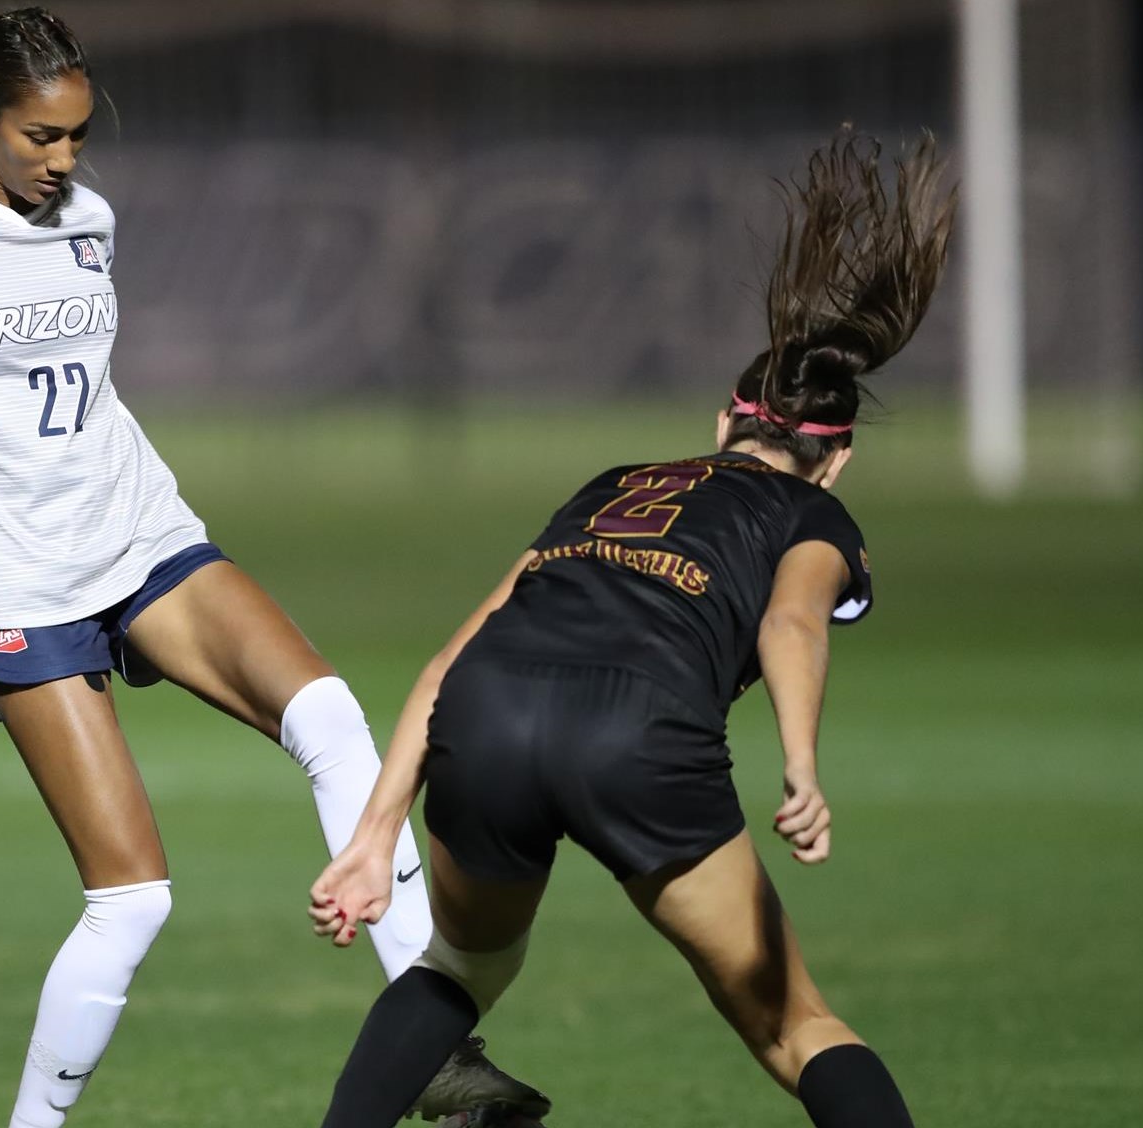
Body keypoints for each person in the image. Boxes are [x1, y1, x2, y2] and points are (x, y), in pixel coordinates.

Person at [0, 8, 548, 1127]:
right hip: (15, 585)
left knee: (329, 718)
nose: (63, 160)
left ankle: (436, 1055)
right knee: (130, 902)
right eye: (40, 136)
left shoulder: (89, 218)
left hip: (138, 534)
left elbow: (50, 402)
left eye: (78, 134)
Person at [309, 130, 956, 1128]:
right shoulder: (810, 515)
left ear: (721, 424)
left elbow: (455, 653)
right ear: (834, 461)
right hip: (637, 732)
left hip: (488, 714)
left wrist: (374, 831)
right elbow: (790, 618)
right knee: (793, 1027)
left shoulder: (614, 487)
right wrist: (799, 764)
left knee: (458, 970)